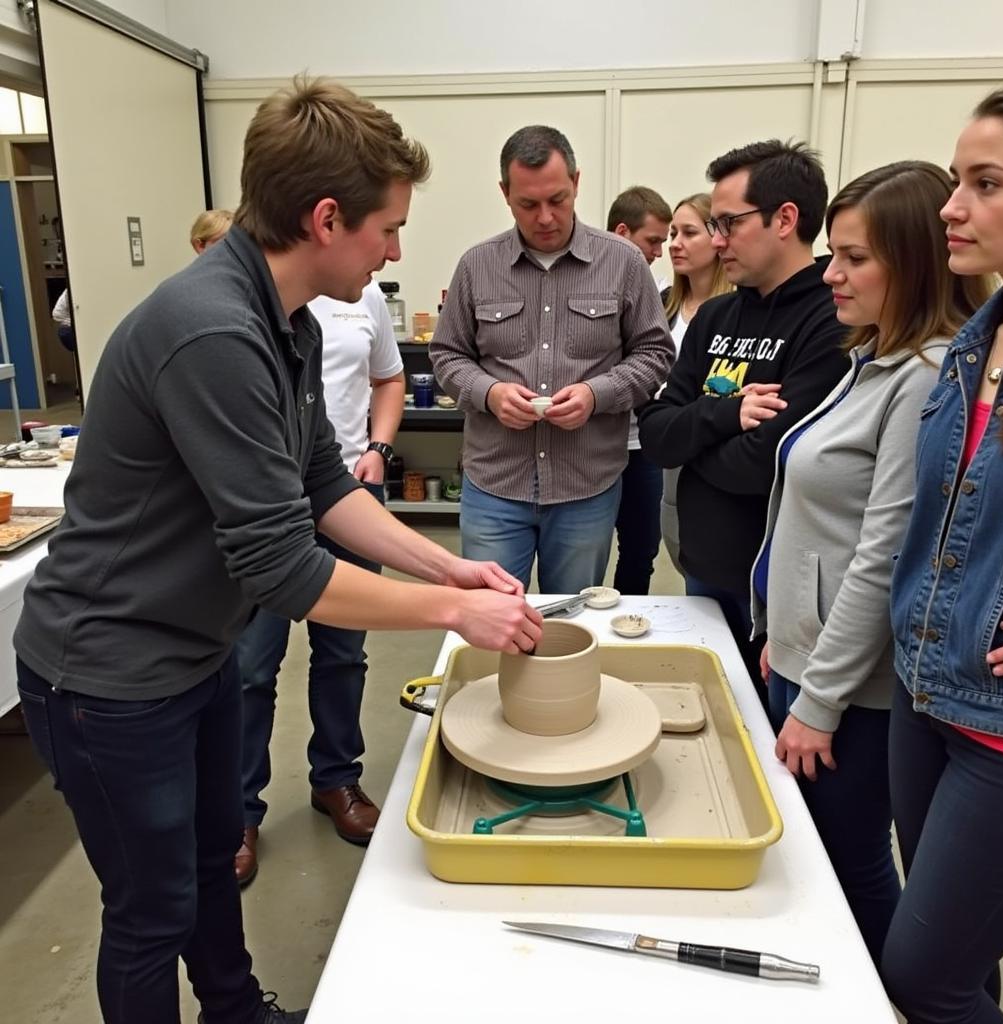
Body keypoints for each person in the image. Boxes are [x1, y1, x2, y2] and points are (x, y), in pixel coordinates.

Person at [12, 78, 541, 1024]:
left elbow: (325, 485)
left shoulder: (285, 322)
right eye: (387, 227)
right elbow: (285, 570)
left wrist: (445, 567)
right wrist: (459, 613)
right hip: (109, 675)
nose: (396, 249)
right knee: (150, 914)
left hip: (193, 652)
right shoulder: (213, 329)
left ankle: (235, 1012)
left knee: (215, 863)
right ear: (326, 217)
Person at [751, 161, 987, 967]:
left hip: (856, 694)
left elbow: (879, 555)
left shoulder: (923, 377)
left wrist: (817, 700)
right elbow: (819, 522)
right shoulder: (876, 361)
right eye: (832, 252)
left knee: (851, 869)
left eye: (855, 257)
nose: (830, 273)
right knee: (830, 863)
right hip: (812, 661)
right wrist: (783, 632)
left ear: (913, 262)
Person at [883, 81, 1003, 1024]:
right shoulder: (975, 345)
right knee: (965, 964)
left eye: (985, 182)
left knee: (921, 978)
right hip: (923, 689)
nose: (950, 205)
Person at [638, 140, 849, 684]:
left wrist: (693, 437)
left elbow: (768, 464)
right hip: (701, 565)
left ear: (785, 218)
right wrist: (726, 416)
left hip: (775, 589)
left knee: (766, 741)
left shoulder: (832, 320)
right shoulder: (715, 315)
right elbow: (657, 435)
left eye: (729, 223)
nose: (716, 240)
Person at [430, 126, 674, 594]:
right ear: (505, 193)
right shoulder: (476, 267)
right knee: (491, 619)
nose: (545, 217)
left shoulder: (623, 263)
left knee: (575, 624)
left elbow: (655, 353)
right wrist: (489, 392)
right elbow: (447, 354)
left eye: (558, 199)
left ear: (577, 183)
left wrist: (596, 394)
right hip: (495, 484)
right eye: (528, 204)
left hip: (587, 486)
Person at [233, 280, 405, 886]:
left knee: (343, 652)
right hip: (268, 501)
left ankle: (336, 778)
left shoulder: (363, 299)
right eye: (384, 231)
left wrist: (379, 447)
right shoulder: (252, 302)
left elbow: (389, 378)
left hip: (349, 487)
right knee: (252, 663)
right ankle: (239, 811)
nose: (390, 253)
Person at [658, 193, 733, 574]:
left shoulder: (736, 312)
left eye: (688, 232)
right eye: (672, 233)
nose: (674, 244)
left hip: (711, 450)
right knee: (674, 543)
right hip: (663, 445)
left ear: (717, 238)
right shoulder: (662, 304)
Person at [605, 185, 673, 594]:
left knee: (641, 549)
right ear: (622, 232)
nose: (659, 251)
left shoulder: (659, 292)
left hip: (642, 446)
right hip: (593, 443)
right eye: (653, 240)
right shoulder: (585, 283)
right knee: (585, 550)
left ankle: (627, 631)